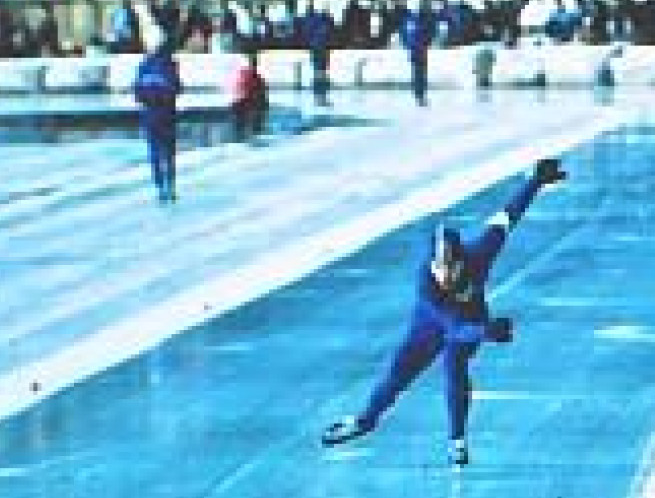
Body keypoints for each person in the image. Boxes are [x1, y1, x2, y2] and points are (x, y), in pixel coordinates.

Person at [321, 157, 568, 466]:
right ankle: (364, 422)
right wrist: (487, 331)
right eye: (439, 268)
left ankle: (458, 440)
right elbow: (451, 327)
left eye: (450, 267)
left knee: (454, 367)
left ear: (462, 260)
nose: (444, 275)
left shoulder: (480, 255)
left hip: (471, 322)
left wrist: (535, 182)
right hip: (434, 326)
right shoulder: (427, 284)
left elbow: (505, 220)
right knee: (398, 375)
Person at [131, 39, 182, 203]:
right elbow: (177, 88)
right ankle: (170, 185)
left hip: (150, 115)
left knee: (154, 152)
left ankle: (160, 187)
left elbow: (137, 92)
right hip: (167, 114)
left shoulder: (143, 66)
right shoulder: (170, 65)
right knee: (169, 153)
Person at [228, 48, 269, 141]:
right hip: (246, 101)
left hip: (250, 101)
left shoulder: (254, 76)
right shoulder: (246, 74)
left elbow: (260, 91)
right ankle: (244, 136)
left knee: (249, 123)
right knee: (242, 123)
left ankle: (249, 135)